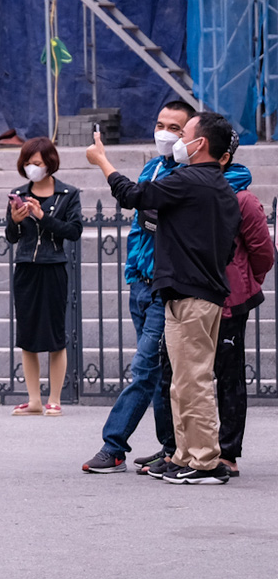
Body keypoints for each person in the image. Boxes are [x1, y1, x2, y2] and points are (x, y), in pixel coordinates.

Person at [85, 113, 240, 485]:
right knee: (182, 381)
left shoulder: (189, 180)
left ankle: (204, 461)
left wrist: (102, 161)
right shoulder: (217, 186)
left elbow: (134, 195)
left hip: (191, 294)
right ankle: (185, 454)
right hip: (191, 292)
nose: (175, 140)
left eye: (182, 132)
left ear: (200, 143)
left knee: (194, 380)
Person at [83, 99, 195, 474]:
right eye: (161, 124)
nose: (165, 133)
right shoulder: (152, 167)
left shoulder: (193, 176)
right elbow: (141, 223)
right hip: (142, 284)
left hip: (167, 289)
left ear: (191, 136)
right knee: (160, 370)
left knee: (144, 368)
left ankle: (114, 446)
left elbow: (144, 204)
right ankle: (170, 447)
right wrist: (134, 272)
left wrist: (103, 161)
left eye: (175, 128)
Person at [3, 137, 83, 416]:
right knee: (27, 335)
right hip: (26, 267)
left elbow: (73, 231)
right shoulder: (18, 192)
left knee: (54, 334)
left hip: (53, 266)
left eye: (36, 163)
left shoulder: (67, 194)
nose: (31, 167)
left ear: (49, 163)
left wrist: (42, 217)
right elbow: (12, 237)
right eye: (27, 163)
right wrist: (14, 220)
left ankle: (55, 399)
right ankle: (34, 399)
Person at [215, 142, 268, 476]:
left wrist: (244, 280)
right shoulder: (185, 188)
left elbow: (263, 252)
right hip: (189, 296)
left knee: (229, 376)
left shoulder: (243, 200)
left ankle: (228, 451)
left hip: (231, 301)